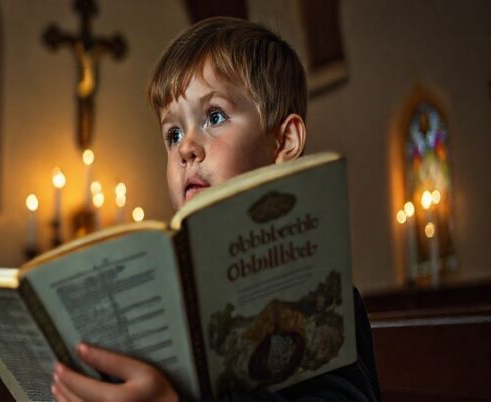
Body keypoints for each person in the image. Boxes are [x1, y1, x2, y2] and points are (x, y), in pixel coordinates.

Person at [50, 17, 381, 402]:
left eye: (214, 117)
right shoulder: (167, 300)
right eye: (172, 134)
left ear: (284, 142)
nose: (187, 148)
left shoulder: (320, 295)